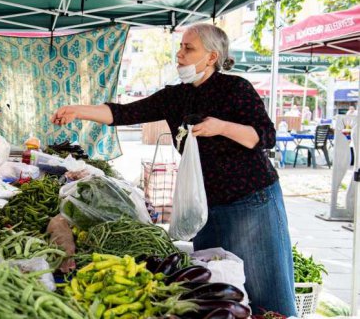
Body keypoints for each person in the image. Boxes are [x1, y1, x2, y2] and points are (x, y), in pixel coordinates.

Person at [51, 23, 296, 316]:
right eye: (180, 47)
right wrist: (79, 110)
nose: (179, 54)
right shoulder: (175, 97)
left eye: (188, 48)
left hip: (250, 201)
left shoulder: (235, 88)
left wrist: (221, 127)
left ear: (211, 57)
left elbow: (265, 137)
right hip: (205, 205)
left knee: (265, 290)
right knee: (215, 290)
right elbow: (125, 112)